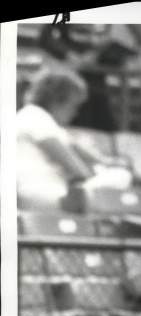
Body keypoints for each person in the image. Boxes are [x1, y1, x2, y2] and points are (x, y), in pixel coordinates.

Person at [16, 67, 132, 211]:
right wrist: (98, 171)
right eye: (74, 106)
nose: (75, 113)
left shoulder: (36, 117)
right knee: (121, 176)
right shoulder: (36, 116)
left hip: (42, 194)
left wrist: (103, 163)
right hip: (42, 195)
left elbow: (76, 147)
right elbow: (77, 171)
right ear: (58, 100)